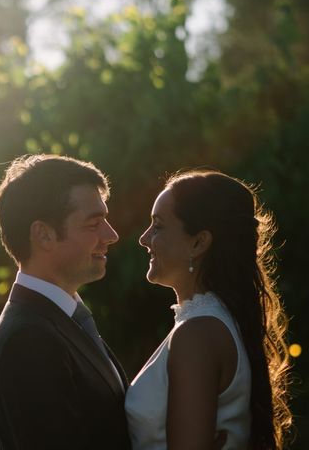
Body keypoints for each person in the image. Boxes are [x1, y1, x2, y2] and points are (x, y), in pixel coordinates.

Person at [125, 170, 292, 450]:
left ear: (199, 243)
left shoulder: (198, 334)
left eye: (158, 225)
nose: (144, 238)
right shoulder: (208, 323)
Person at [0, 154, 131, 450]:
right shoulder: (27, 341)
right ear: (44, 235)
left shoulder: (60, 321)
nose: (111, 235)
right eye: (93, 224)